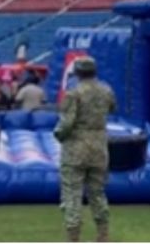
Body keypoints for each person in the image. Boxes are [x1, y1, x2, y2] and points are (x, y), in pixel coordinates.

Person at [54, 57, 116, 242]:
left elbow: (67, 122)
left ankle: (73, 237)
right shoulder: (106, 90)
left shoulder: (74, 92)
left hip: (76, 147)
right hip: (99, 146)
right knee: (98, 193)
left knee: (72, 193)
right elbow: (112, 108)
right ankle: (102, 235)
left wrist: (59, 135)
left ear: (78, 72)